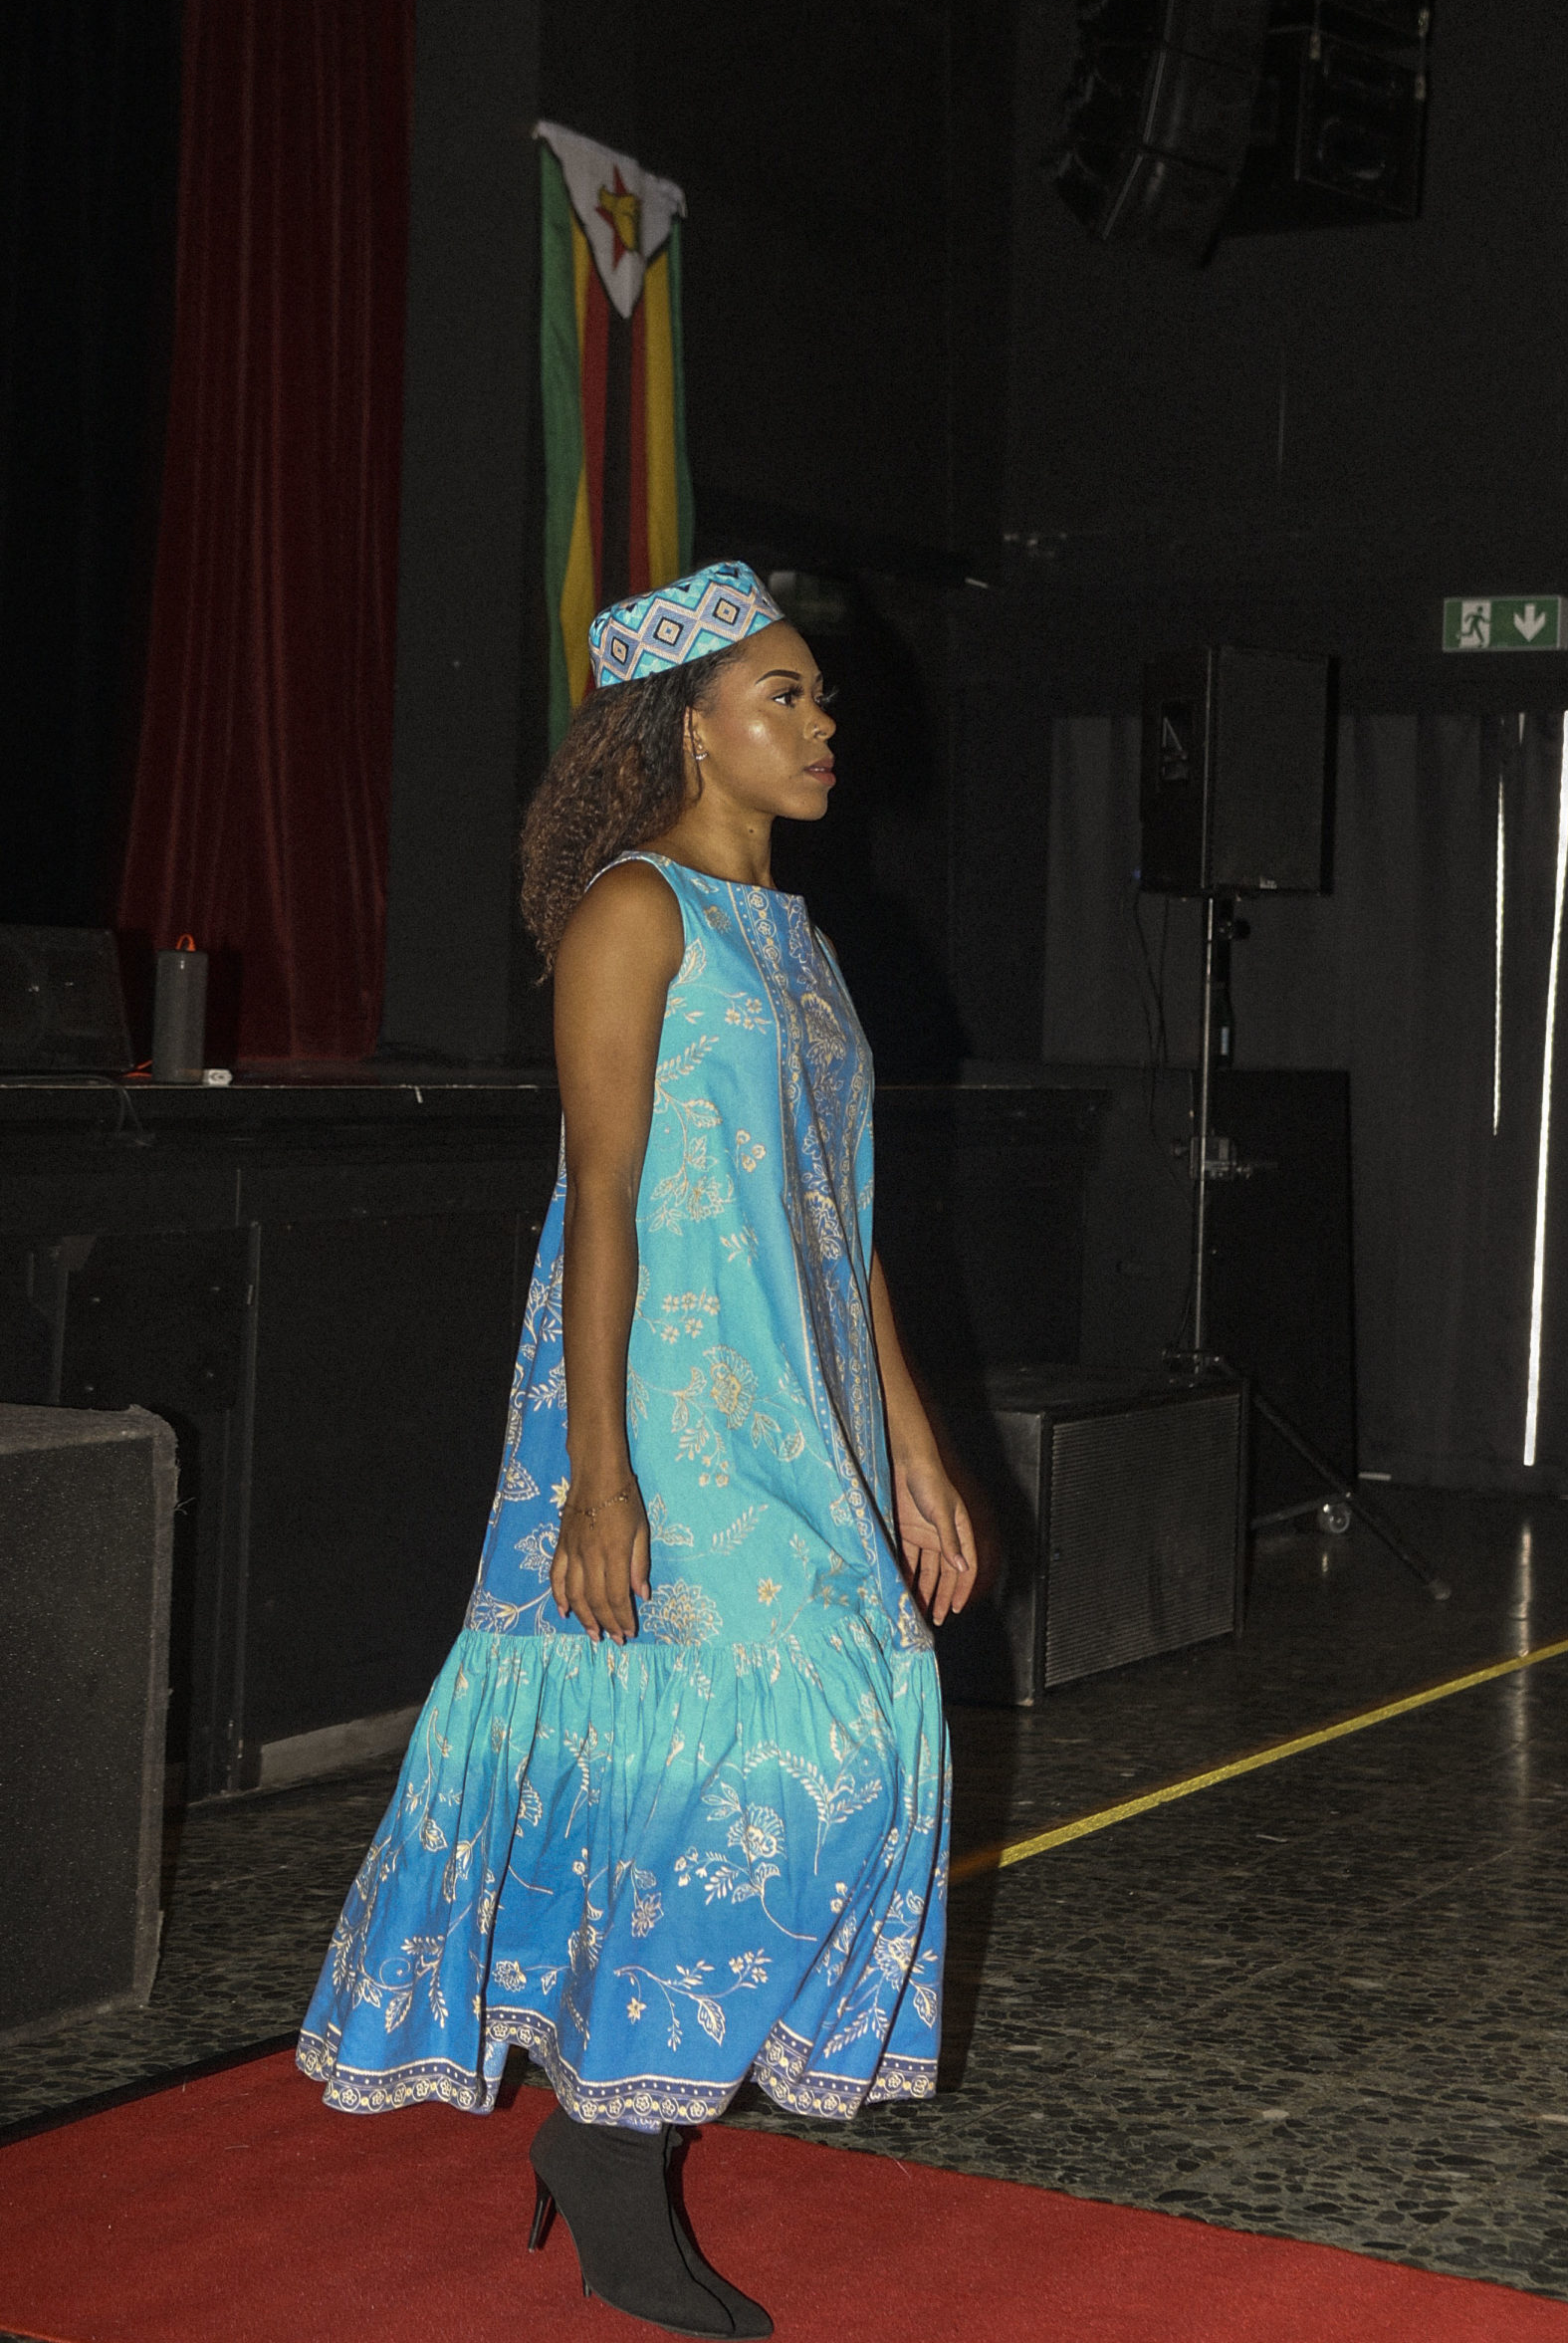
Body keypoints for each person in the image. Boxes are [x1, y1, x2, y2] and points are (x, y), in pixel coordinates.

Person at [297, 562, 977, 2338]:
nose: (823, 725)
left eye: (819, 696)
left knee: (864, 1729)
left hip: (805, 1394)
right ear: (691, 725)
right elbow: (595, 1197)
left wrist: (912, 1445)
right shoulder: (633, 911)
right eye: (785, 697)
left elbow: (841, 1221)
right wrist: (598, 1476)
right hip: (670, 1396)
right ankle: (612, 2148)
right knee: (776, 1755)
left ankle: (615, 2117)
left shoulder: (802, 942)